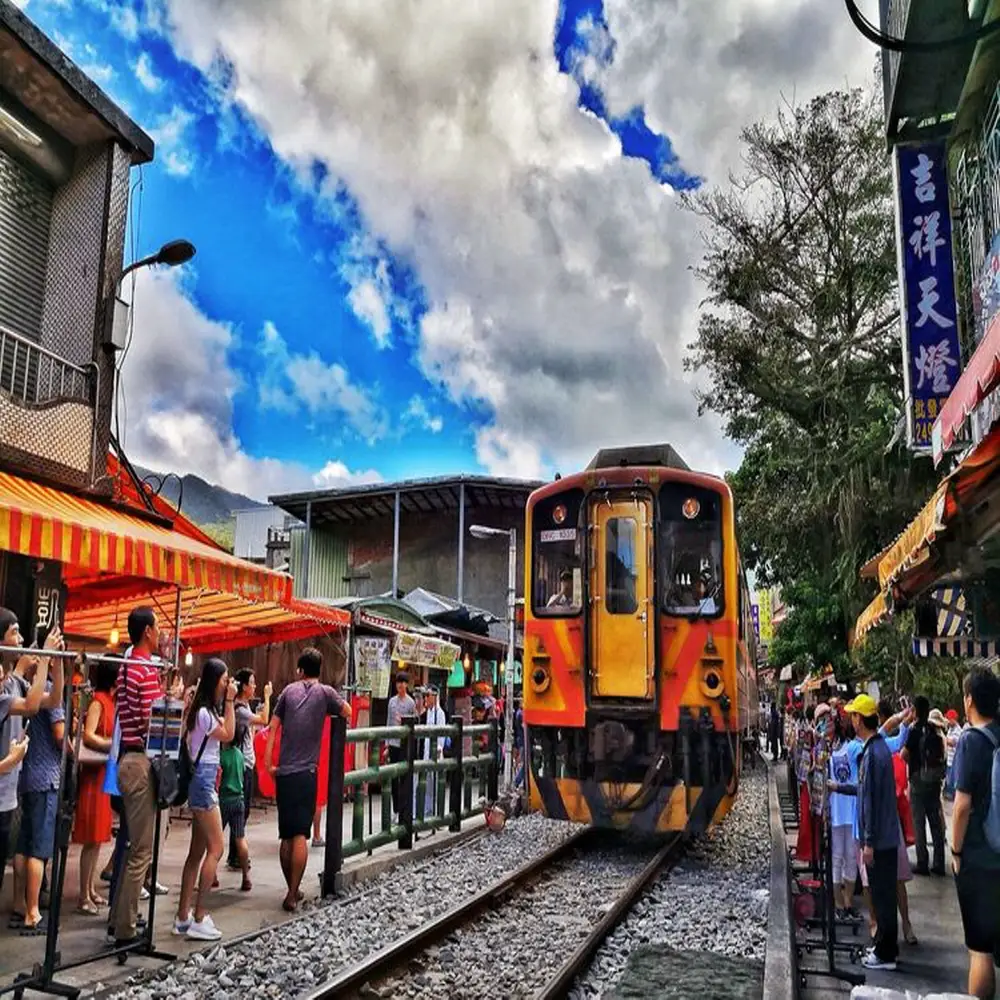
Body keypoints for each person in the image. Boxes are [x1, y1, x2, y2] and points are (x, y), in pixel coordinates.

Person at [110, 607, 182, 946]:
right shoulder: (144, 669)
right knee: (141, 851)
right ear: (148, 632)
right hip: (140, 761)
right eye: (156, 629)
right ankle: (125, 929)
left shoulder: (127, 668)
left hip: (127, 759)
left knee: (132, 847)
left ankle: (120, 918)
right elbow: (152, 722)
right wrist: (175, 701)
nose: (159, 635)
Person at [265, 648, 350, 913]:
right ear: (319, 670)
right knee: (301, 833)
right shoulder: (326, 693)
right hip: (307, 773)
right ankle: (292, 892)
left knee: (286, 835)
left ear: (300, 669)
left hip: (285, 771)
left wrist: (269, 762)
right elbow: (346, 711)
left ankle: (291, 887)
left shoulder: (288, 692)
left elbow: (273, 726)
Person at [174, 658, 236, 941]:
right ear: (214, 681)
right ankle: (199, 916)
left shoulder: (202, 710)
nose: (227, 685)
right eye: (224, 680)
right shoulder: (204, 713)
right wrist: (232, 703)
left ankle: (183, 916)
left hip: (203, 778)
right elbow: (229, 734)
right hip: (204, 782)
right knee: (216, 848)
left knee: (197, 853)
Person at [950, 668, 1000, 1000]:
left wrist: (955, 852)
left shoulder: (970, 741)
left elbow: (961, 806)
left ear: (969, 700)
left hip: (980, 858)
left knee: (980, 948)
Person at [0, 609, 57, 902]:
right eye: (14, 632)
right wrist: (44, 659)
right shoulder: (7, 684)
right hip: (14, 783)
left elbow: (49, 700)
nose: (21, 640)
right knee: (31, 846)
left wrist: (54, 665)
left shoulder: (12, 682)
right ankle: (29, 907)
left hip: (9, 791)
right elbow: (34, 705)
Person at [845, 693, 899, 971]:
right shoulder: (878, 750)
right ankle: (884, 947)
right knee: (883, 894)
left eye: (853, 714)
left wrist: (869, 843)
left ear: (859, 719)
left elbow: (870, 802)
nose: (850, 719)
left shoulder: (872, 754)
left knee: (882, 895)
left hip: (879, 840)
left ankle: (886, 953)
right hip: (885, 837)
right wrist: (837, 786)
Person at [72, 659, 116, 915]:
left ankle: (89, 889)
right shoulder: (99, 701)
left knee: (98, 837)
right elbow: (88, 734)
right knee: (91, 838)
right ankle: (82, 894)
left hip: (102, 773)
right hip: (93, 774)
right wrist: (110, 744)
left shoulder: (109, 702)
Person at [228, 670, 271, 872]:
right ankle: (235, 854)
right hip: (242, 765)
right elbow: (264, 719)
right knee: (240, 811)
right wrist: (268, 696)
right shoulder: (239, 709)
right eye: (252, 683)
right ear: (244, 686)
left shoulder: (244, 707)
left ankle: (234, 852)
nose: (255, 686)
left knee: (242, 811)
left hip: (246, 763)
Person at [902, 695, 946, 875]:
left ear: (915, 711)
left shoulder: (914, 730)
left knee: (919, 823)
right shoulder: (933, 729)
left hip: (918, 781)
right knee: (936, 823)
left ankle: (922, 862)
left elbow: (904, 754)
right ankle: (939, 863)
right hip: (934, 782)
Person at [218, 726, 251, 893]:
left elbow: (218, 780)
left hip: (224, 800)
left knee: (216, 840)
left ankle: (213, 876)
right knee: (240, 838)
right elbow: (244, 772)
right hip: (239, 799)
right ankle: (246, 876)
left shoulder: (221, 757)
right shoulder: (239, 754)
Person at [386, 673, 416, 819]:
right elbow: (388, 722)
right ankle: (395, 809)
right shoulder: (391, 702)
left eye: (403, 683)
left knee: (404, 777)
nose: (400, 685)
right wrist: (386, 744)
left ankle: (404, 808)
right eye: (398, 683)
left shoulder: (411, 703)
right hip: (393, 742)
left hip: (404, 744)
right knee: (393, 777)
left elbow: (414, 723)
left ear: (406, 685)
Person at [418, 686, 447, 819]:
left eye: (428, 696)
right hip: (427, 750)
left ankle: (436, 811)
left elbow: (441, 733)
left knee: (435, 783)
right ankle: (427, 810)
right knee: (427, 783)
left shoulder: (439, 713)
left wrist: (439, 748)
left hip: (435, 750)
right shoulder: (428, 712)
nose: (425, 699)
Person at [944, 708, 962, 802]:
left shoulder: (958, 730)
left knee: (953, 782)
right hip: (949, 760)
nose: (947, 721)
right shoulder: (950, 730)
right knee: (948, 781)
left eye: (948, 719)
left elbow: (952, 742)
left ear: (953, 719)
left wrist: (943, 738)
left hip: (955, 761)